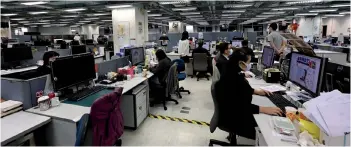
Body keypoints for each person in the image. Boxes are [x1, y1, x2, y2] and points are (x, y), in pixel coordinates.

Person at [214, 49, 283, 140]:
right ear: (241, 63)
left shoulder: (230, 71)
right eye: (248, 62)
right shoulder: (234, 79)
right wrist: (263, 109)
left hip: (228, 114)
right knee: (270, 128)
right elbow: (239, 106)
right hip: (233, 118)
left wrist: (255, 91)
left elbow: (237, 92)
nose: (249, 64)